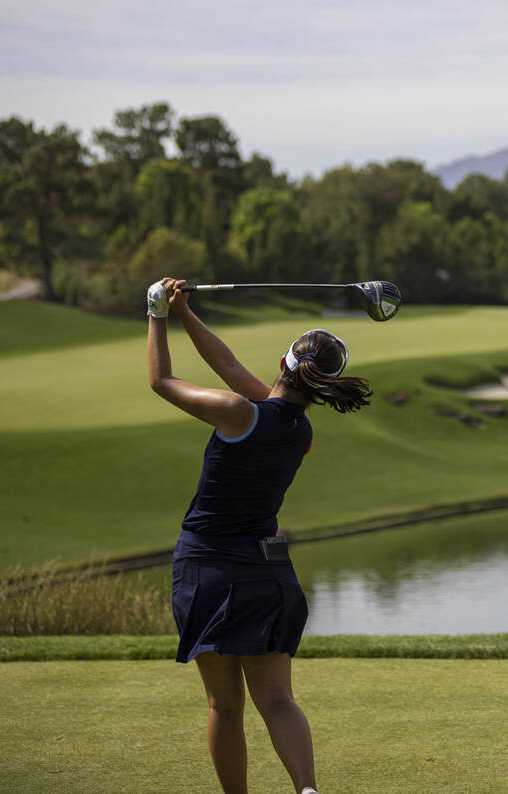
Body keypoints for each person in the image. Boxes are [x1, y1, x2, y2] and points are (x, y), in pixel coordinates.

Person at [146, 277, 372, 794]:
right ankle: (308, 791)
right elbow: (227, 367)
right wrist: (182, 312)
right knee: (277, 700)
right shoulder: (301, 433)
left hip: (210, 567)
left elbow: (162, 381)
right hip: (270, 574)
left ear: (282, 364)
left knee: (225, 706)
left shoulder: (237, 413)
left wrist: (156, 310)